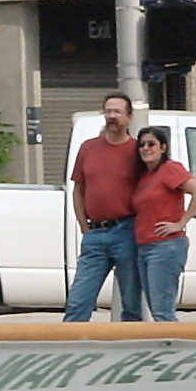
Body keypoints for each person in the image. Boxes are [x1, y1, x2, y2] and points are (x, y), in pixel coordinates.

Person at [63, 91, 143, 322]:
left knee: (131, 303)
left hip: (127, 232)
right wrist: (83, 227)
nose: (111, 116)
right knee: (78, 301)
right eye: (108, 111)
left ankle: (133, 352)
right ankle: (71, 351)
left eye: (117, 111)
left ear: (129, 117)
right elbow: (78, 189)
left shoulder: (138, 151)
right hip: (94, 234)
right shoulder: (88, 148)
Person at [131, 126, 196, 321]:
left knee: (163, 312)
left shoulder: (170, 169)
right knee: (156, 311)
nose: (146, 148)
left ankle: (176, 349)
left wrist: (180, 222)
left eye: (152, 144)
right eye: (142, 145)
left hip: (165, 247)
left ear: (163, 148)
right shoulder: (144, 176)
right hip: (144, 247)